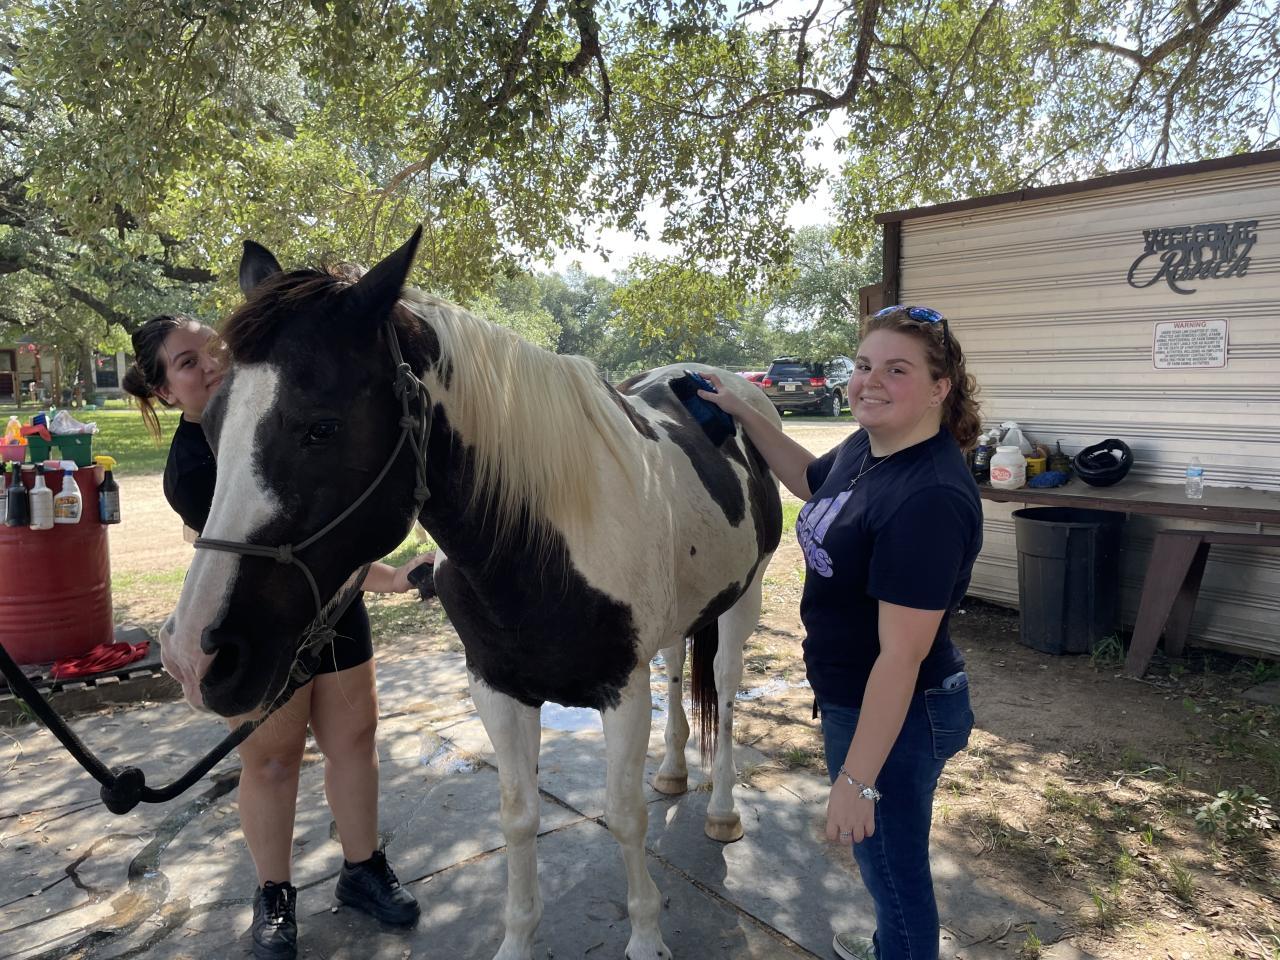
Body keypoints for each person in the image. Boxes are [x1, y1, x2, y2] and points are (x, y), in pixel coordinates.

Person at [123, 314, 432, 960]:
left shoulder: (272, 414)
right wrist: (387, 581)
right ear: (164, 391)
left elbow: (325, 533)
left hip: (334, 608)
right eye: (187, 362)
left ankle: (362, 869)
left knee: (355, 741)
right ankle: (274, 894)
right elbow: (277, 555)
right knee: (271, 761)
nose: (211, 363)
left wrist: (395, 581)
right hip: (257, 627)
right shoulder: (191, 469)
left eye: (213, 348)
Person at [699, 305, 981, 960]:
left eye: (897, 370)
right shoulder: (869, 446)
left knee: (892, 865)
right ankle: (891, 943)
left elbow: (901, 655)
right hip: (857, 694)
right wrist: (746, 413)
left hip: (901, 710)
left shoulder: (928, 498)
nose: (870, 382)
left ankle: (900, 949)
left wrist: (857, 780)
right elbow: (810, 480)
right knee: (886, 859)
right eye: (862, 365)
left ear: (939, 388)